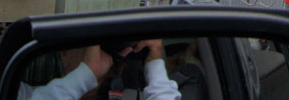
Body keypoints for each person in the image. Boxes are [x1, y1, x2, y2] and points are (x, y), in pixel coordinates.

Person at [18, 40, 180, 100]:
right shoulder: (24, 93)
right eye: (92, 44)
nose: (103, 56)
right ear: (64, 54)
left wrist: (155, 61)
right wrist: (85, 75)